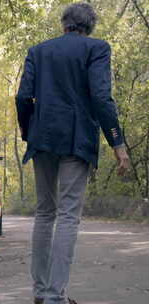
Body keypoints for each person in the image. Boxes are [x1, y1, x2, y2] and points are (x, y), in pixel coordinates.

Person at [16, 3, 130, 304]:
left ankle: (41, 293)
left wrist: (30, 133)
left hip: (42, 139)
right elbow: (101, 97)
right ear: (89, 25)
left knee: (44, 213)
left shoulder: (38, 51)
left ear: (64, 23)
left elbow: (23, 97)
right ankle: (55, 296)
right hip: (76, 139)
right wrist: (117, 143)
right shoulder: (97, 48)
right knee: (67, 215)